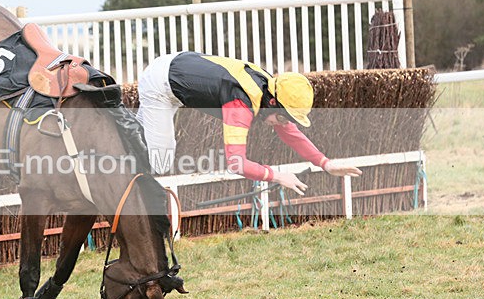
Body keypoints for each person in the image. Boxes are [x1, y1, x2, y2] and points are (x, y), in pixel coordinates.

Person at [136, 51, 362, 194]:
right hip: (161, 87)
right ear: (272, 103)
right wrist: (277, 176)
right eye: (282, 117)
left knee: (137, 139)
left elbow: (290, 132)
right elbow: (236, 163)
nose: (282, 124)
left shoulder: (269, 87)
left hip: (176, 67)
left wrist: (325, 163)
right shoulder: (240, 104)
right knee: (160, 163)